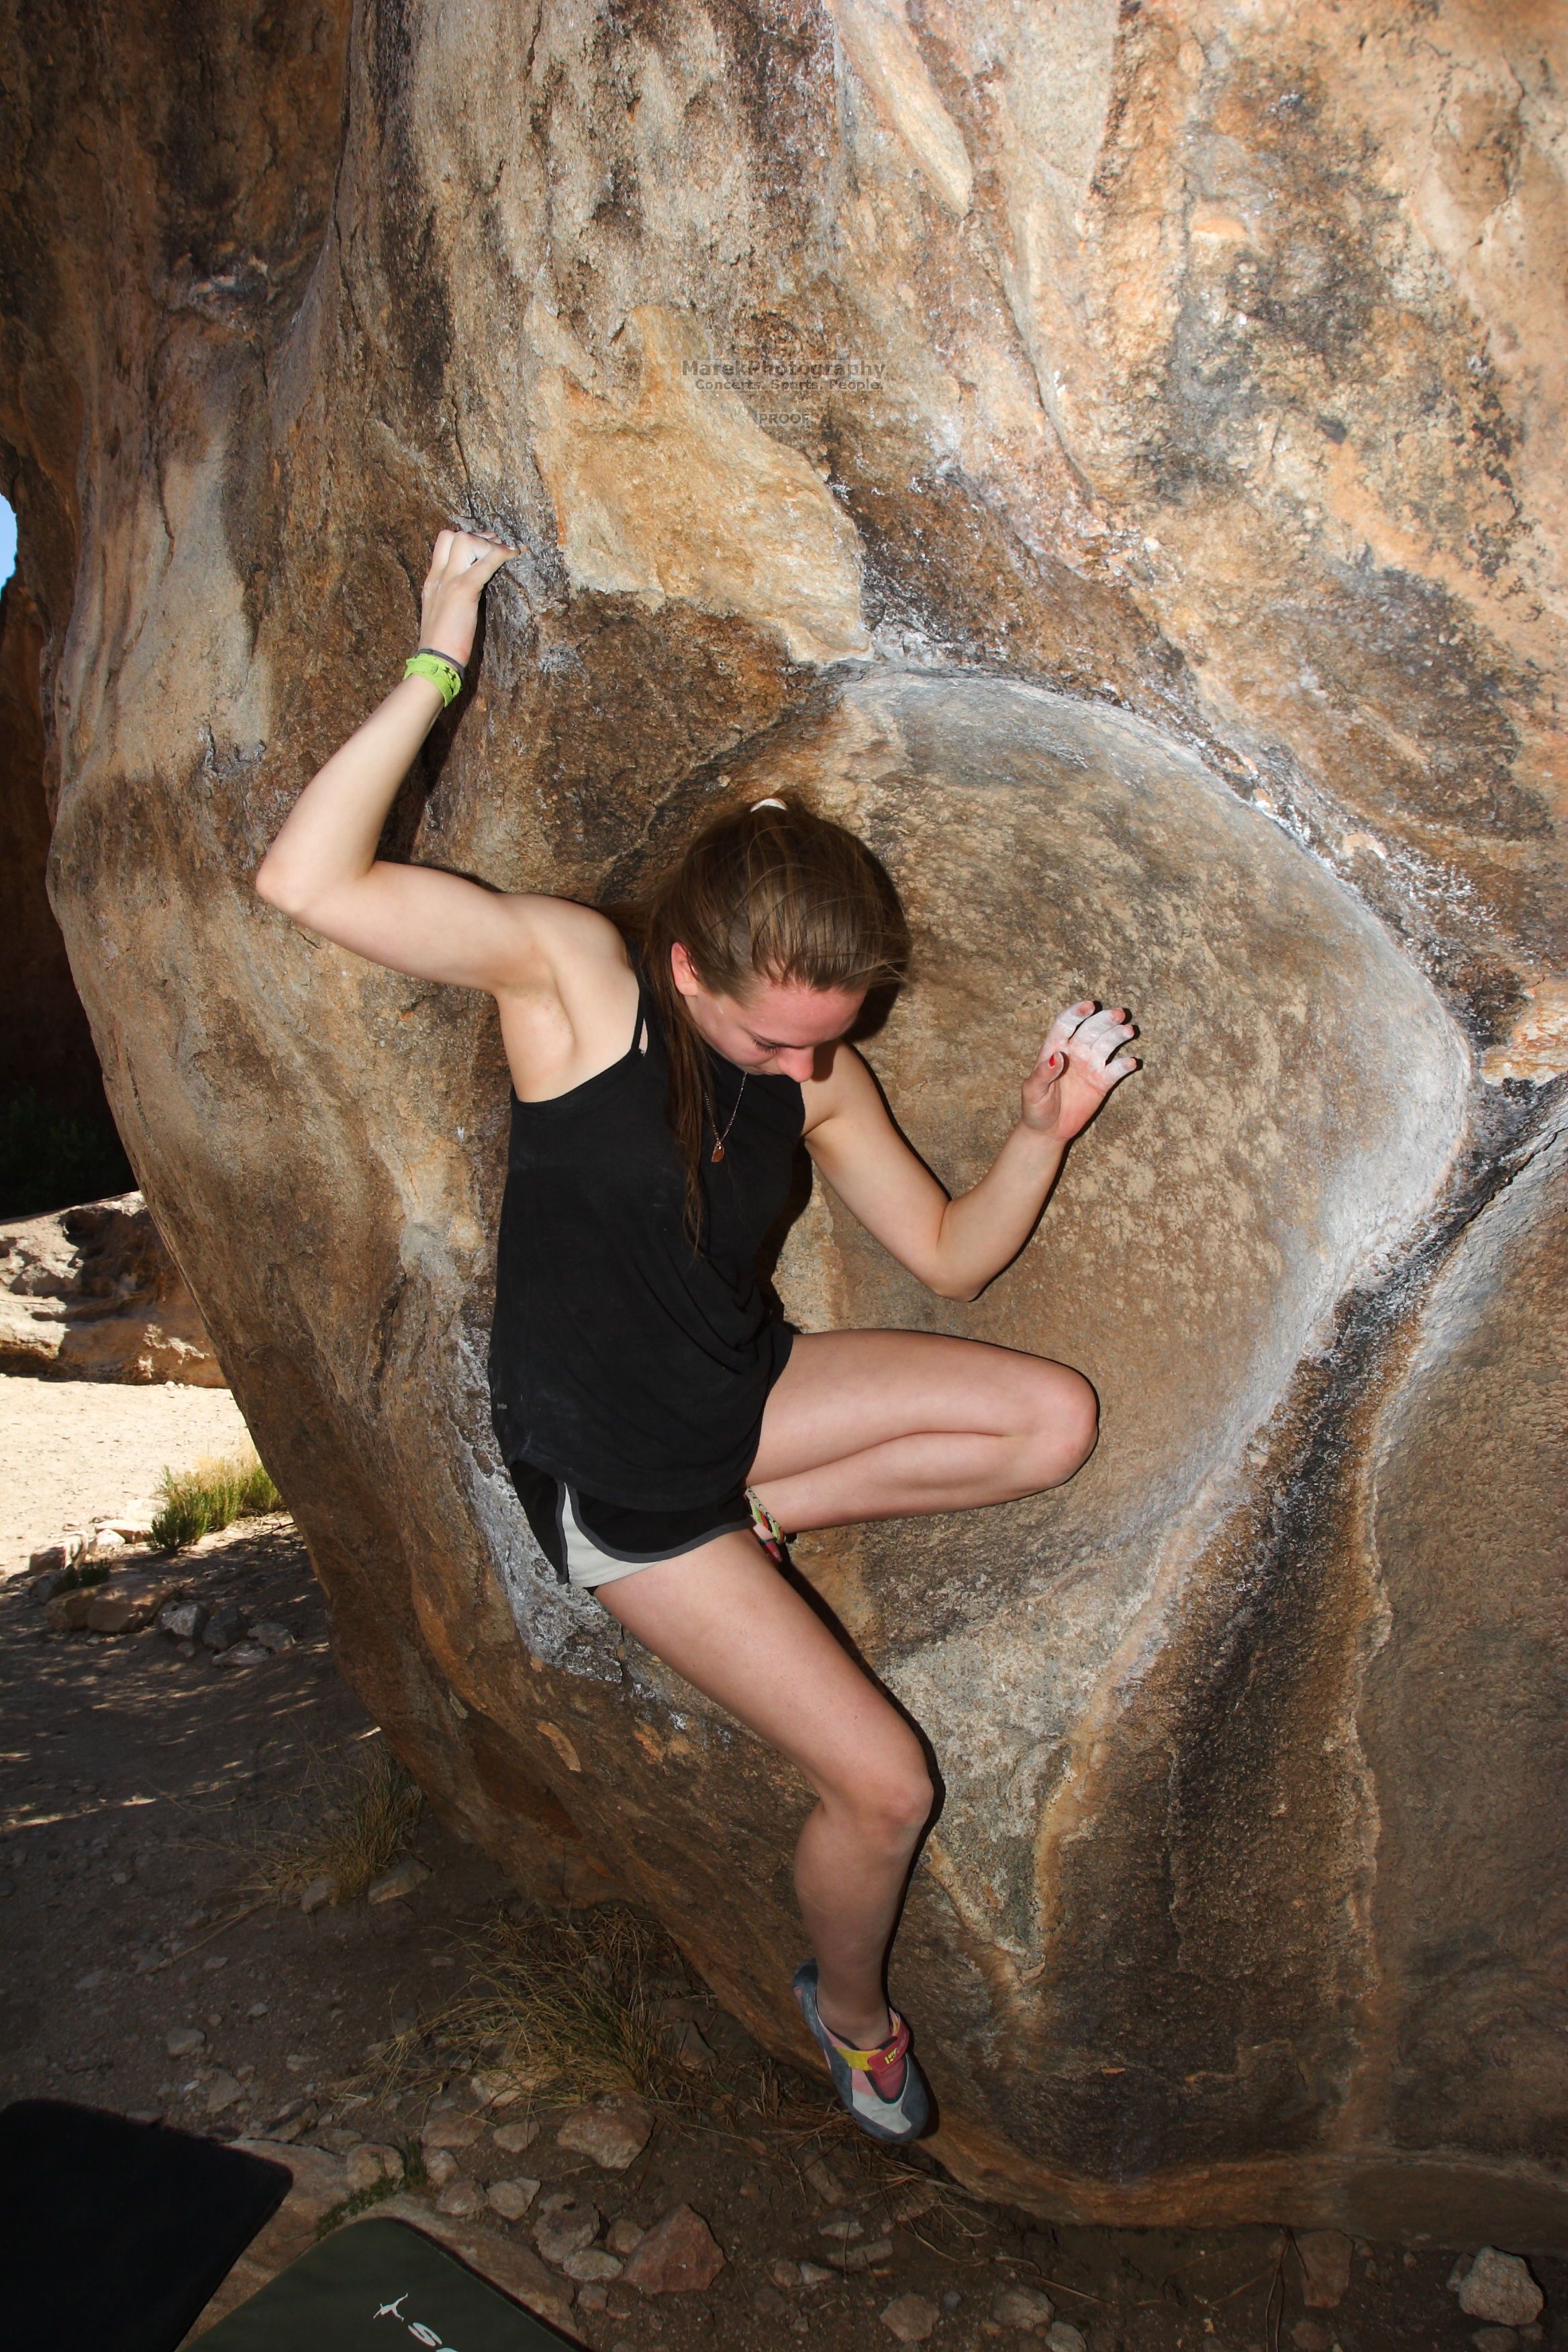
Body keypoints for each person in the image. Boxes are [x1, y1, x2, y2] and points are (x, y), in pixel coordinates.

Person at [255, 526, 1139, 2145]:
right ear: (684, 963)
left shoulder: (815, 1068)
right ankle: (851, 2013)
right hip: (618, 1483)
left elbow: (946, 1258)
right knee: (885, 1784)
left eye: (832, 1037)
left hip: (741, 1404)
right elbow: (303, 881)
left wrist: (1041, 1131)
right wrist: (436, 656)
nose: (802, 1062)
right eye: (768, 1032)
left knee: (1050, 1423)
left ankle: (769, 1521)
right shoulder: (575, 983)